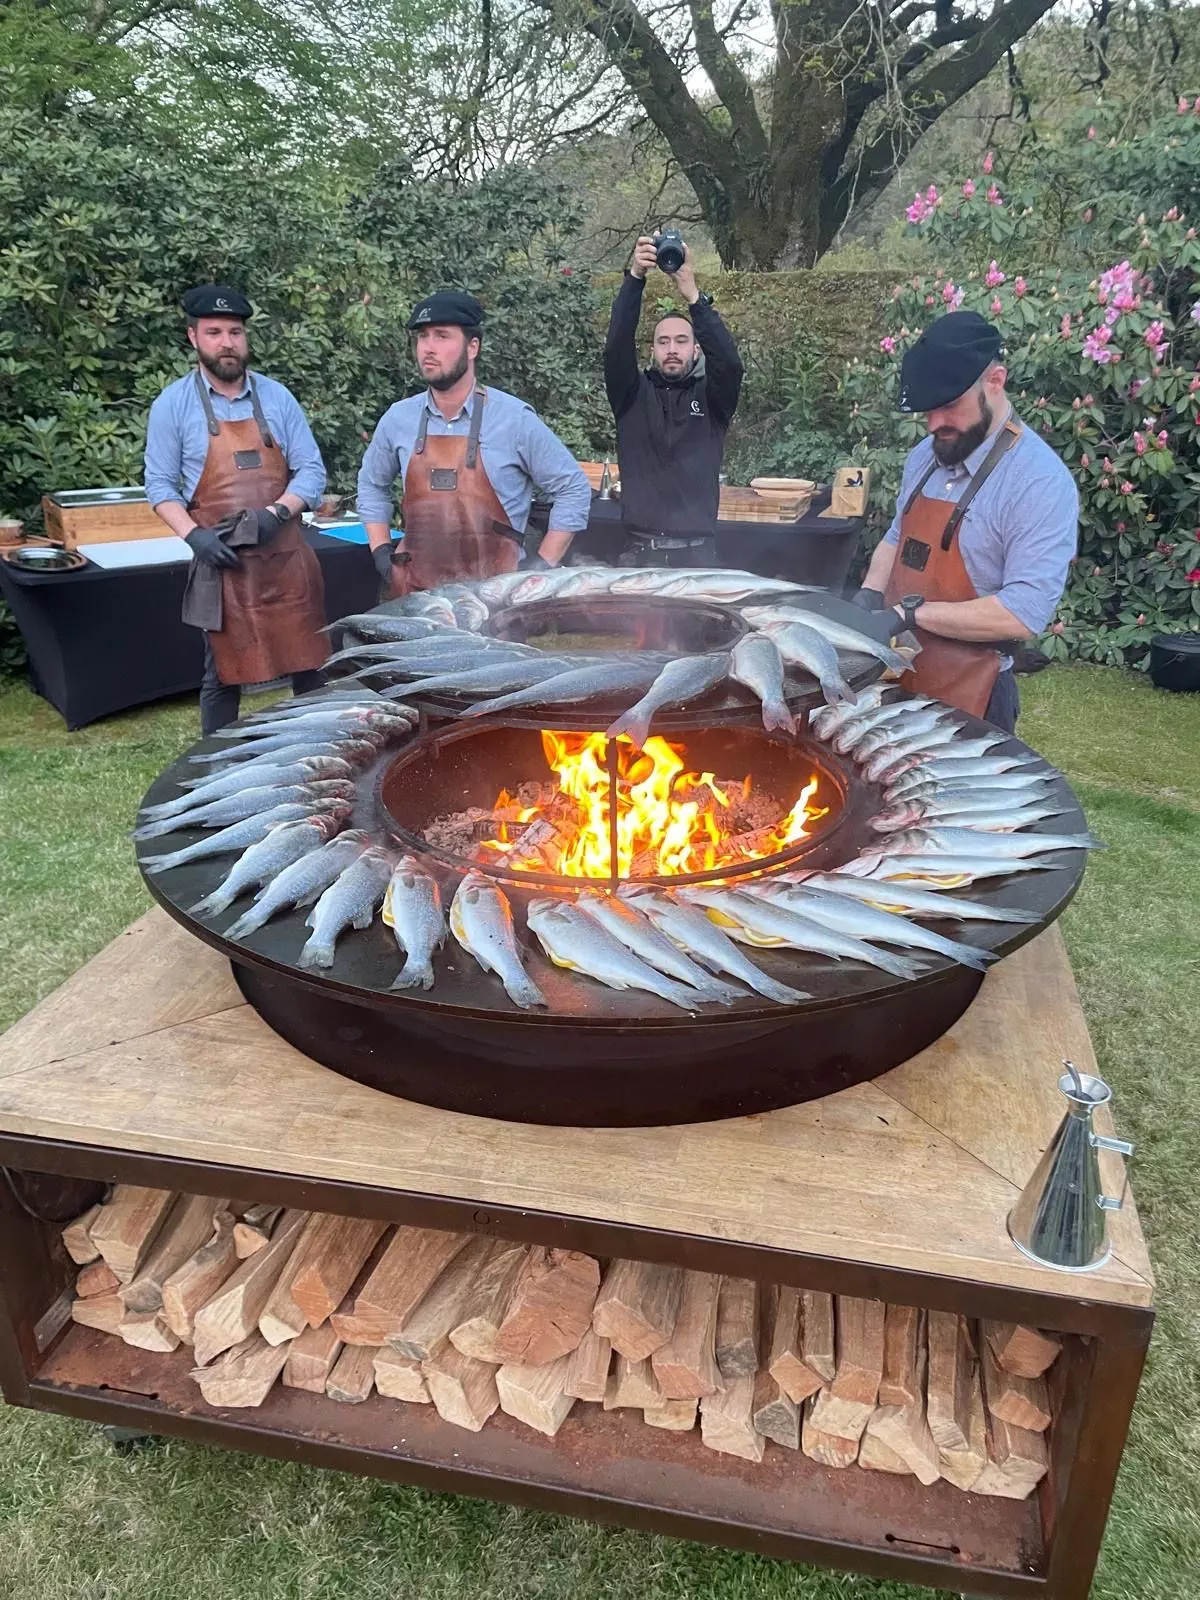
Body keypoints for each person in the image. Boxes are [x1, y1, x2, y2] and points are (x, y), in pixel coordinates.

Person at [854, 311, 1077, 731]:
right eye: (927, 411)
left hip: (975, 693)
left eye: (949, 406)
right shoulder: (926, 454)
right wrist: (868, 596)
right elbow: (897, 537)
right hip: (894, 677)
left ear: (995, 381)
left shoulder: (1039, 481)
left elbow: (1021, 614)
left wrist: (910, 615)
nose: (935, 424)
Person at [144, 284, 329, 735]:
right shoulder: (173, 405)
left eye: (234, 332)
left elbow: (311, 470)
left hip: (285, 558)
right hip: (222, 563)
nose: (227, 342)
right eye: (214, 332)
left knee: (311, 667)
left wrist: (278, 512)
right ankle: (215, 766)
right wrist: (195, 537)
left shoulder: (278, 398)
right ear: (194, 338)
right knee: (222, 676)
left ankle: (320, 753)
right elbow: (160, 486)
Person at [356, 290, 591, 594]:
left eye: (442, 336)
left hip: (495, 600)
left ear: (472, 347)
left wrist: (540, 567)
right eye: (423, 337)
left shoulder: (514, 419)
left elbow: (573, 487)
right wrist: (381, 552)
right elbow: (371, 485)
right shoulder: (398, 419)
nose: (429, 348)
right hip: (415, 598)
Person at [604, 235, 744, 568]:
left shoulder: (713, 400)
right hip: (638, 556)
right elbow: (615, 347)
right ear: (652, 350)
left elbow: (730, 364)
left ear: (696, 349)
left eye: (681, 341)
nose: (671, 349)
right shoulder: (631, 395)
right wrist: (635, 277)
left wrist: (693, 296)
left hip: (697, 557)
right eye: (663, 341)